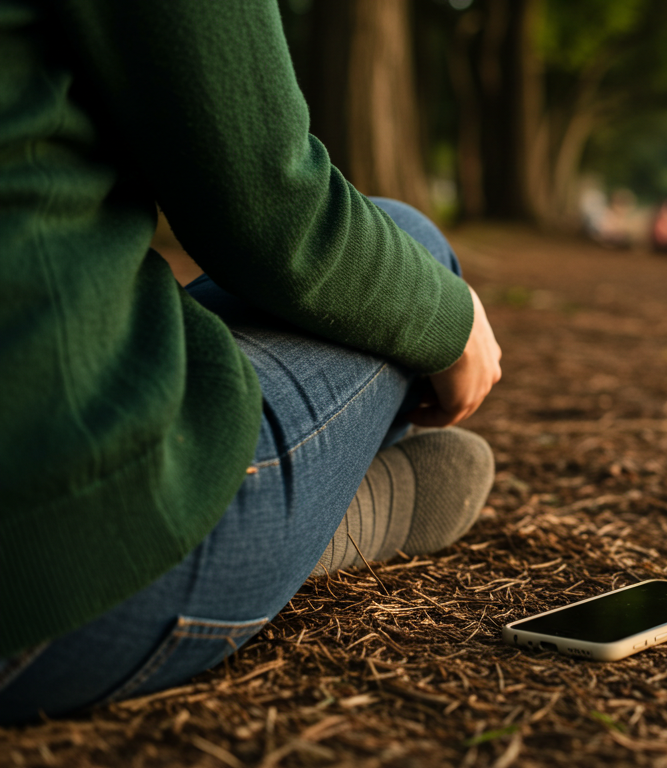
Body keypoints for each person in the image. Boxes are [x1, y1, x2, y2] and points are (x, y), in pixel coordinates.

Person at [0, 1, 502, 723]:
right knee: (414, 242)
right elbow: (270, 208)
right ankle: (318, 520)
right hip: (46, 580)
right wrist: (451, 321)